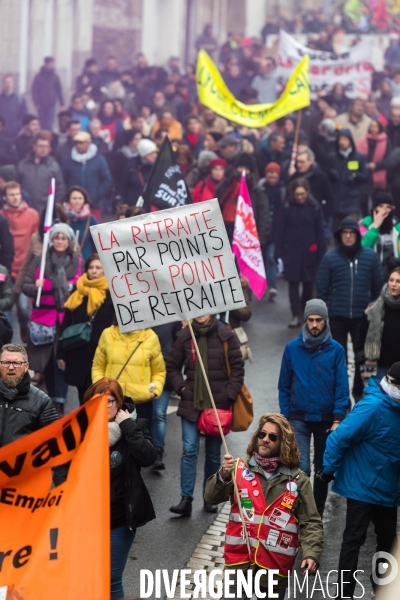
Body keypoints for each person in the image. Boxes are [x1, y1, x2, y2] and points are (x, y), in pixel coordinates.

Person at [204, 413, 324, 599]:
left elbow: (311, 522)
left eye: (272, 437)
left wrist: (311, 554)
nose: (265, 440)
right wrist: (223, 475)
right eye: (262, 434)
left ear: (283, 443)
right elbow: (210, 497)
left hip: (274, 568)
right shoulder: (238, 468)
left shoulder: (298, 480)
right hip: (239, 563)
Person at [321, 362, 400, 600]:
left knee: (388, 541)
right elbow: (340, 437)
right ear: (392, 383)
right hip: (362, 486)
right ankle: (344, 594)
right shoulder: (372, 406)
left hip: (388, 487)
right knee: (353, 540)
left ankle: (381, 591)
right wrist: (328, 469)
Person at [82, 377, 156, 600]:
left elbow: (148, 457)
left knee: (111, 581)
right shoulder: (80, 429)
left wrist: (128, 427)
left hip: (119, 519)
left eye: (111, 401)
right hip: (85, 519)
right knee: (86, 578)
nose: (105, 407)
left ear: (120, 402)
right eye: (99, 401)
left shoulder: (134, 427)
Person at [167, 314, 244, 516]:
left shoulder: (225, 333)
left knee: (212, 453)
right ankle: (186, 498)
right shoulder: (185, 335)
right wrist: (182, 388)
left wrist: (229, 395)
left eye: (205, 309)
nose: (200, 314)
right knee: (189, 449)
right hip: (191, 402)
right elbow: (172, 367)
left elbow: (237, 367)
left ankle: (209, 496)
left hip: (218, 404)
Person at [279, 299, 350, 516]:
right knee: (302, 468)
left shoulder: (336, 350)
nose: (314, 324)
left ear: (325, 321)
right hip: (298, 416)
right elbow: (284, 384)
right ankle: (300, 507)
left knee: (322, 468)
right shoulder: (292, 348)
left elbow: (341, 385)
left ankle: (317, 508)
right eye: (310, 320)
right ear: (305, 321)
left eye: (318, 320)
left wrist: (338, 417)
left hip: (326, 418)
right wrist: (285, 415)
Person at [22, 223, 82, 416]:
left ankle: (59, 404)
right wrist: (37, 286)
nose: (59, 241)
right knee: (44, 363)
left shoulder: (76, 261)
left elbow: (79, 284)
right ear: (51, 240)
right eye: (56, 237)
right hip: (42, 319)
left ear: (69, 241)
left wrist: (67, 285)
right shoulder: (39, 261)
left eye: (63, 238)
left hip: (65, 319)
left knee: (61, 361)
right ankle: (45, 405)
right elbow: (26, 285)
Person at [316, 217, 384, 377]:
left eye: (352, 233)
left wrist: (374, 307)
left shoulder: (370, 257)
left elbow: (378, 287)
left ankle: (358, 390)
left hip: (362, 316)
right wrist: (321, 315)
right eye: (345, 233)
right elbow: (322, 289)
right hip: (337, 315)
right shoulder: (330, 258)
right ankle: (342, 394)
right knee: (339, 357)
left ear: (357, 236)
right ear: (339, 235)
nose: (348, 236)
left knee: (361, 356)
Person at [57, 254, 114, 404]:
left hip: (101, 352)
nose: (94, 271)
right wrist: (61, 353)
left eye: (98, 268)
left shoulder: (113, 294)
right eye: (91, 267)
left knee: (97, 394)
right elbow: (67, 322)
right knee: (82, 395)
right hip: (78, 351)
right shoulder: (78, 291)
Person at [92, 320, 166, 427]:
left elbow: (159, 371)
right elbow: (98, 366)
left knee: (138, 441)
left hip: (141, 404)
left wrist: (154, 391)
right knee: (109, 441)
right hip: (111, 402)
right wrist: (101, 388)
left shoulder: (150, 337)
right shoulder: (107, 334)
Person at [276, 178, 326, 328]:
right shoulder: (287, 207)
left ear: (307, 192)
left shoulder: (315, 207)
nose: (300, 197)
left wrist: (321, 252)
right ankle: (295, 315)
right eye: (297, 194)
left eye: (302, 194)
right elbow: (281, 230)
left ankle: (304, 311)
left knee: (308, 284)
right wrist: (279, 252)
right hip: (291, 252)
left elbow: (320, 232)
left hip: (310, 252)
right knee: (293, 285)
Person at [0, 343, 61, 446]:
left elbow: (53, 442)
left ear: (26, 366)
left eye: (16, 363)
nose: (11, 367)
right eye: (5, 363)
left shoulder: (42, 402)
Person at [0, 181, 38, 340]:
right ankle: (6, 343)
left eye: (17, 194)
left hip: (24, 269)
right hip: (5, 270)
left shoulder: (32, 215)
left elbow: (36, 241)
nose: (15, 198)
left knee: (23, 307)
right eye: (11, 195)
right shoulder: (2, 217)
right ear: (4, 197)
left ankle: (24, 327)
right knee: (5, 311)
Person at [326, 129, 370, 230]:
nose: (342, 142)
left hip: (352, 200)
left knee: (350, 228)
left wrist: (355, 175)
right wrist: (330, 174)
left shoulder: (359, 157)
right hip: (336, 200)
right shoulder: (332, 158)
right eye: (340, 139)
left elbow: (366, 176)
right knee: (337, 230)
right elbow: (325, 176)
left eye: (345, 139)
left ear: (350, 140)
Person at [192, 157, 240, 243]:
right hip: (205, 227)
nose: (218, 172)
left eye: (221, 169)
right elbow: (194, 205)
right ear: (211, 170)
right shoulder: (202, 185)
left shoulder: (230, 187)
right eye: (215, 169)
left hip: (224, 227)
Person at [61, 132, 112, 212]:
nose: (78, 145)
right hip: (73, 204)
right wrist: (69, 194)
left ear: (88, 143)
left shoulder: (99, 160)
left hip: (93, 204)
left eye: (81, 143)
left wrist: (97, 195)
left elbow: (106, 179)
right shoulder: (68, 160)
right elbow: (63, 180)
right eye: (76, 143)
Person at [17, 131, 65, 214]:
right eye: (41, 146)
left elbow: (59, 189)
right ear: (34, 147)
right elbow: (17, 185)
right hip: (25, 209)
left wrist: (56, 207)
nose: (44, 149)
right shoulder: (23, 165)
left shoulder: (53, 166)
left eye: (46, 146)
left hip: (46, 210)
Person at [288, 146, 334, 233]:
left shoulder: (321, 177)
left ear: (311, 161)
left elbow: (329, 198)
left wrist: (325, 219)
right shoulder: (294, 178)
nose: (299, 165)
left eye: (302, 162)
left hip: (317, 220)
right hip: (296, 222)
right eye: (298, 162)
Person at [258, 162, 286, 301]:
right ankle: (261, 285)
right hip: (262, 229)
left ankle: (272, 286)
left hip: (276, 230)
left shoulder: (282, 190)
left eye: (275, 172)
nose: (272, 175)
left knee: (270, 257)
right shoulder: (260, 189)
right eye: (269, 172)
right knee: (261, 259)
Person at [359, 191, 400, 279]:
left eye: (388, 207)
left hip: (392, 278)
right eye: (381, 206)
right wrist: (375, 227)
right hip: (368, 275)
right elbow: (361, 249)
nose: (384, 211)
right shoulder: (364, 225)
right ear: (374, 209)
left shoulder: (398, 229)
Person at [356, 119, 391, 197]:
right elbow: (356, 156)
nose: (373, 128)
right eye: (371, 126)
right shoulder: (363, 140)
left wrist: (376, 165)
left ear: (380, 128)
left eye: (375, 126)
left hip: (379, 173)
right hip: (364, 174)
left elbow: (388, 160)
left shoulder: (386, 142)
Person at [62, 186, 98, 260]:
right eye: (74, 198)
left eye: (80, 198)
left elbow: (98, 243)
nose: (77, 201)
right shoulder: (63, 217)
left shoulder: (90, 219)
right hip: (65, 261)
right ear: (68, 200)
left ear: (84, 200)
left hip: (85, 260)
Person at [120, 138, 157, 208]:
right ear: (144, 154)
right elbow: (123, 184)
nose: (154, 155)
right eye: (151, 153)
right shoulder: (131, 165)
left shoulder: (157, 165)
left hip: (151, 204)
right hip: (134, 204)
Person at [31, 57, 64, 130]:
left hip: (51, 103)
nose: (51, 65)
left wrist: (62, 104)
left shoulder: (55, 77)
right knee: (43, 124)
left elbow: (59, 90)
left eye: (52, 64)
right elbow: (34, 90)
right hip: (41, 104)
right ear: (45, 64)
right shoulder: (38, 77)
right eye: (49, 64)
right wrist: (36, 103)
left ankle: (49, 138)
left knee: (49, 124)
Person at [0, 75, 27, 139]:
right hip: (2, 133)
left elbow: (24, 114)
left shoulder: (20, 99)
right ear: (3, 84)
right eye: (6, 82)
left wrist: (18, 126)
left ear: (13, 83)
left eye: (9, 82)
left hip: (15, 133)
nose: (8, 84)